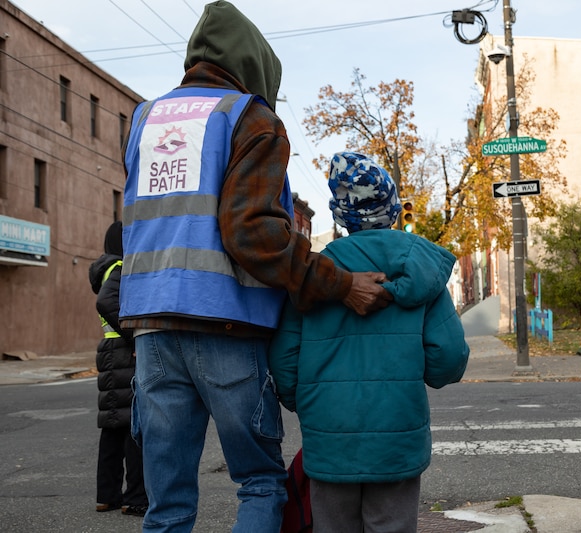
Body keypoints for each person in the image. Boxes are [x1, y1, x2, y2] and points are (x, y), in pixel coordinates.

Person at [118, 3, 392, 531]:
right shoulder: (249, 116)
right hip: (226, 325)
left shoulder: (144, 118)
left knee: (167, 503)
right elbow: (253, 233)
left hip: (151, 327)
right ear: (256, 64)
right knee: (260, 483)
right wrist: (340, 285)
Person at [268, 152, 470, 533]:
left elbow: (284, 361)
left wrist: (312, 403)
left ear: (341, 217)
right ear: (394, 209)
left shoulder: (315, 276)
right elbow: (450, 359)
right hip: (397, 435)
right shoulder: (421, 273)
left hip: (330, 435)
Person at [87, 221, 148, 517]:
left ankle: (107, 496)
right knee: (133, 428)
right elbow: (106, 302)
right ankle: (135, 498)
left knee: (113, 426)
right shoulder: (121, 267)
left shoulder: (106, 269)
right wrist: (133, 334)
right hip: (124, 353)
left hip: (111, 352)